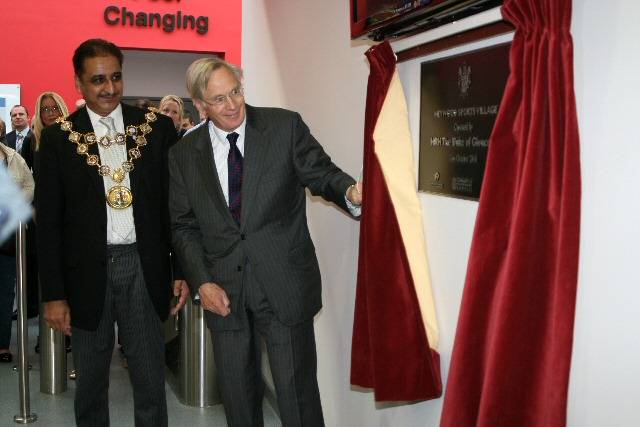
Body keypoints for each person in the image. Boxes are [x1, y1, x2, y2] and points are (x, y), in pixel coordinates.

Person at [169, 57, 362, 427]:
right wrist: (202, 281)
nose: (232, 105)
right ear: (200, 105)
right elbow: (182, 226)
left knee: (297, 395)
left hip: (284, 282)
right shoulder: (182, 156)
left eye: (236, 92)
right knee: (238, 399)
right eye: (220, 99)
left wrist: (351, 191)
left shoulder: (283, 126)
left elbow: (321, 172)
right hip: (223, 291)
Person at [36, 38, 189, 427]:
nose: (109, 88)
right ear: (79, 84)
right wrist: (53, 295)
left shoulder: (155, 129)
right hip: (87, 273)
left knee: (151, 380)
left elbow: (175, 208)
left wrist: (182, 271)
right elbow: (49, 223)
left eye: (116, 77)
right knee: (90, 384)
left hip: (144, 266)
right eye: (98, 80)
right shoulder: (58, 139)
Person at [0, 134, 35, 363]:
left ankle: (2, 345)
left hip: (8, 233)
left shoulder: (13, 156)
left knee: (5, 290)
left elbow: (30, 184)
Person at [5, 105, 35, 169]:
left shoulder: (36, 137)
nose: (17, 117)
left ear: (28, 118)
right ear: (11, 120)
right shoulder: (5, 138)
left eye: (21, 114)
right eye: (14, 115)